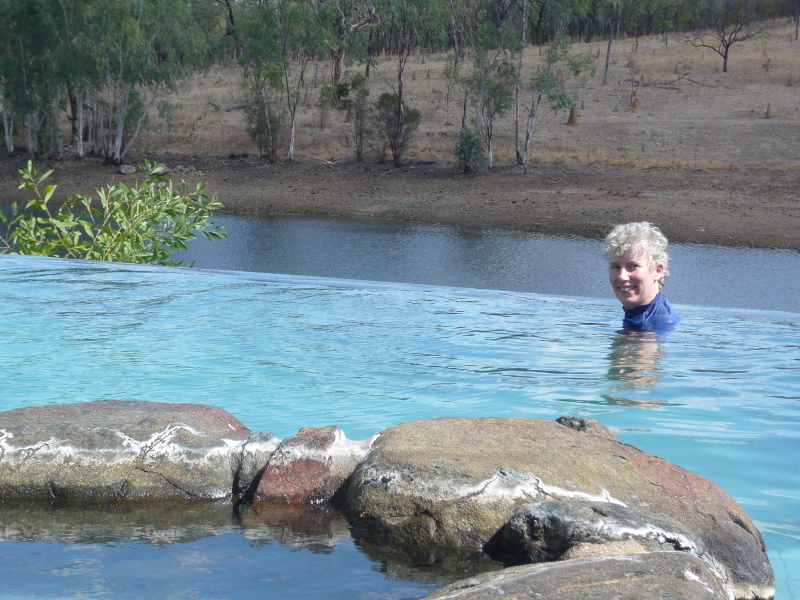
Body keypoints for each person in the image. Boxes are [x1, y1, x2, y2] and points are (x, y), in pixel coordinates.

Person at [603, 222, 680, 332]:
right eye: (615, 267)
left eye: (633, 266)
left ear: (657, 271)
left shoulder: (655, 324)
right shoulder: (642, 317)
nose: (622, 277)